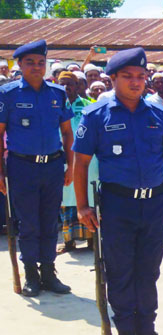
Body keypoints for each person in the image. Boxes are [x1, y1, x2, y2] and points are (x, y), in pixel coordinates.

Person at [73, 47, 163, 335]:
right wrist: (82, 206)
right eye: (128, 77)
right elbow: (80, 164)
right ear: (113, 79)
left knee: (149, 270)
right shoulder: (95, 115)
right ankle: (126, 334)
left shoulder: (159, 114)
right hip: (118, 205)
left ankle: (147, 330)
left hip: (155, 203)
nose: (136, 82)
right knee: (120, 271)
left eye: (140, 76)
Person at [0, 40, 74, 297]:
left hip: (52, 165)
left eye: (41, 63)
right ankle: (30, 272)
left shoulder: (57, 94)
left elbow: (67, 133)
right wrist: (0, 171)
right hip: (21, 167)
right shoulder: (7, 94)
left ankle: (48, 271)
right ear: (19, 64)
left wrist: (70, 165)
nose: (36, 67)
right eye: (30, 62)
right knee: (29, 222)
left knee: (49, 220)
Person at [56, 71, 96, 254]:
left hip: (88, 162)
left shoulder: (88, 106)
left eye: (70, 84)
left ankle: (92, 240)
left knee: (88, 198)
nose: (67, 88)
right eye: (62, 84)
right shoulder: (54, 107)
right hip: (63, 160)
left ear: (78, 85)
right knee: (66, 200)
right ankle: (69, 242)